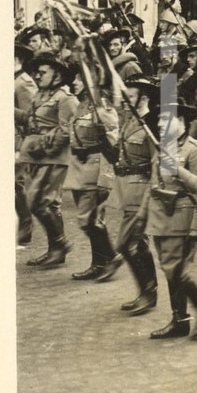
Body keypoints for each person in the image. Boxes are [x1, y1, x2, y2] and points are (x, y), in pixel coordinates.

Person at [144, 102, 197, 339]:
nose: (160, 124)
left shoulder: (195, 150)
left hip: (183, 218)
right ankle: (185, 317)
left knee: (176, 270)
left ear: (182, 121)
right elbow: (155, 184)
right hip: (162, 217)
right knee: (170, 270)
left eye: (167, 120)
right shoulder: (162, 147)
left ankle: (195, 314)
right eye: (160, 120)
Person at [103, 76, 160, 312]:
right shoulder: (130, 122)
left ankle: (149, 291)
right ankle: (147, 291)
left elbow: (157, 162)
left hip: (142, 190)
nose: (126, 100)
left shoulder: (150, 125)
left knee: (127, 243)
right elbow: (120, 157)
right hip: (127, 187)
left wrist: (152, 193)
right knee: (137, 242)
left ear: (144, 98)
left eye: (131, 96)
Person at [17, 52, 77, 268]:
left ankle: (61, 244)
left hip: (52, 157)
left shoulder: (65, 98)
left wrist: (41, 146)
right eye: (37, 72)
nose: (38, 75)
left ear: (57, 76)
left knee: (37, 202)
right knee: (46, 204)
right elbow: (30, 120)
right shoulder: (40, 96)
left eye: (43, 72)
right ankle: (56, 249)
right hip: (36, 156)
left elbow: (65, 130)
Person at [66, 72, 121, 280]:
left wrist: (106, 176)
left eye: (79, 79)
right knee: (88, 219)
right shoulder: (82, 105)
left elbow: (112, 143)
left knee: (88, 218)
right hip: (79, 166)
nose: (74, 82)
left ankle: (108, 258)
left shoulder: (102, 108)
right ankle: (101, 261)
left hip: (95, 165)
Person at [14, 42, 39, 247]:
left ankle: (25, 225)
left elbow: (32, 118)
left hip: (18, 141)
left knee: (17, 184)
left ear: (17, 59)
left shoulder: (24, 83)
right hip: (6, 137)